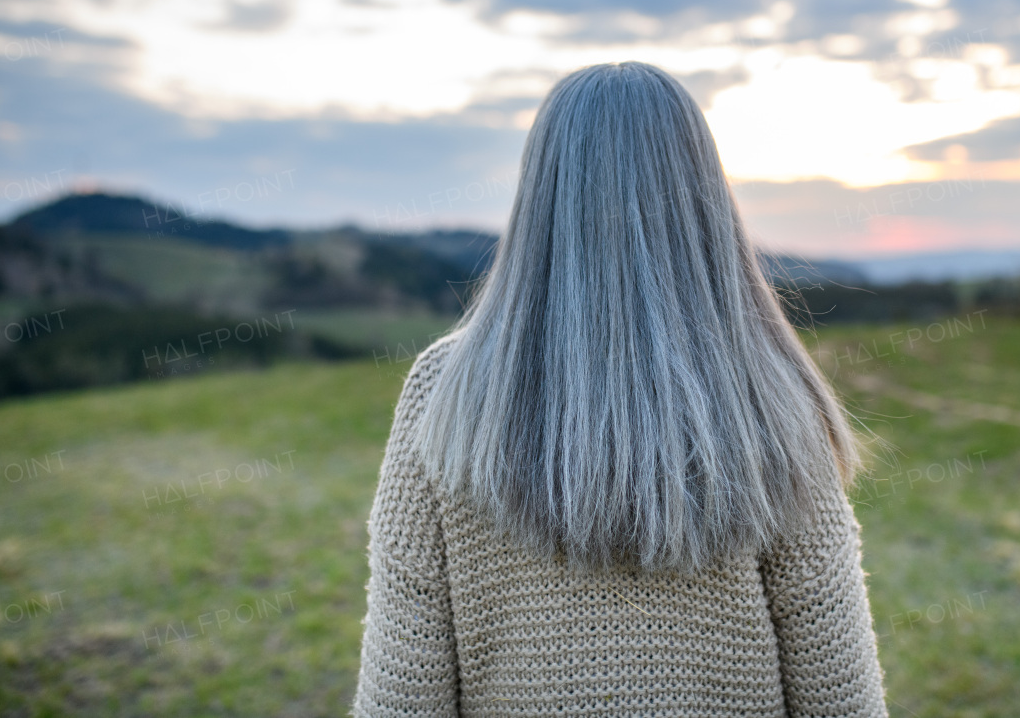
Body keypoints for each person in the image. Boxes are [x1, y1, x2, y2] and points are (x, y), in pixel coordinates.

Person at [351, 62, 888, 716]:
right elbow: (840, 694)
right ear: (704, 198)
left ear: (538, 196)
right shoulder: (768, 390)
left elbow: (403, 697)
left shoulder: (445, 390)